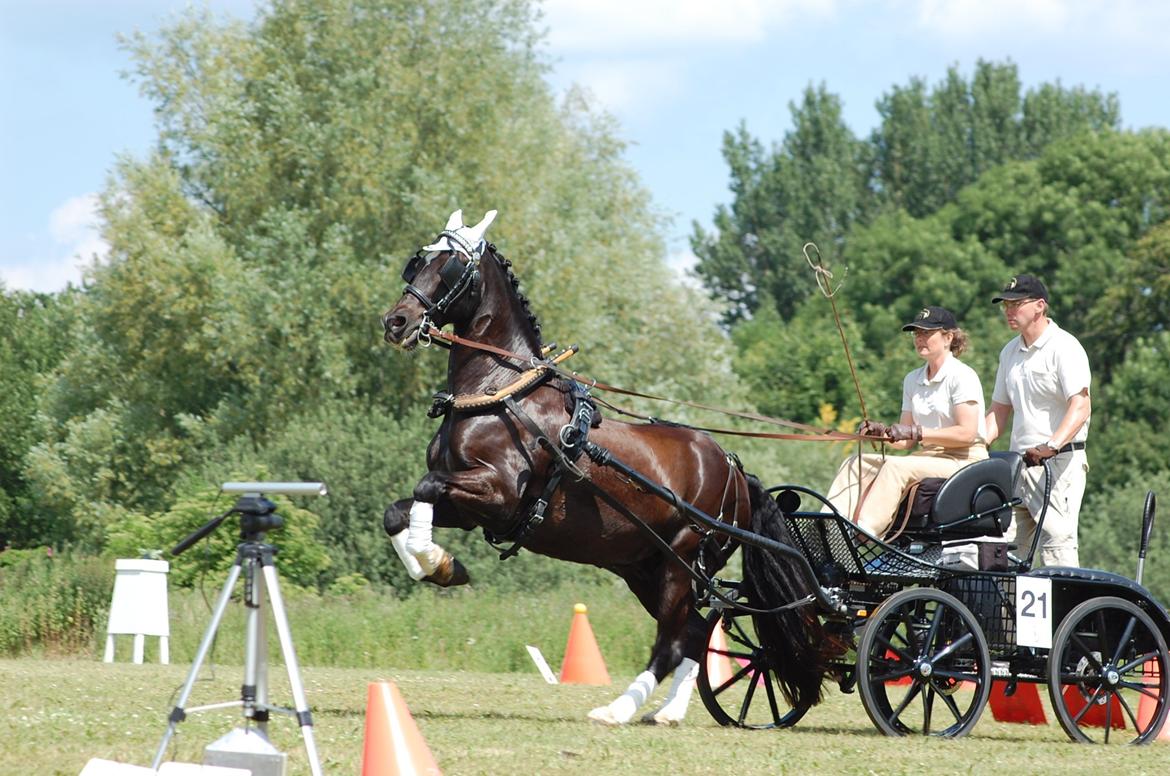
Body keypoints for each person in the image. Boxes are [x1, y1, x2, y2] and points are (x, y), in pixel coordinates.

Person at [825, 306, 988, 538]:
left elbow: (966, 434)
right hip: (928, 457)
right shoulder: (912, 379)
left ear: (948, 338)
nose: (920, 339)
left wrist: (916, 431)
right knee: (856, 462)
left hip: (965, 460)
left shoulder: (962, 376)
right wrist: (882, 433)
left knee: (895, 467)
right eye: (916, 334)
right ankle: (830, 527)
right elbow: (904, 443)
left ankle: (865, 530)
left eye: (926, 333)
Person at [985, 274, 1090, 567]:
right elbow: (998, 412)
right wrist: (972, 446)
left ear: (1040, 306)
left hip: (1059, 463)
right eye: (1005, 305)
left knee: (1057, 541)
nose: (1009, 311)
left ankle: (1070, 612)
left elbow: (1080, 406)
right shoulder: (1009, 352)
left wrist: (1052, 445)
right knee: (1002, 550)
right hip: (1020, 466)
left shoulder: (1064, 347)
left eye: (1016, 304)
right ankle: (1003, 614)